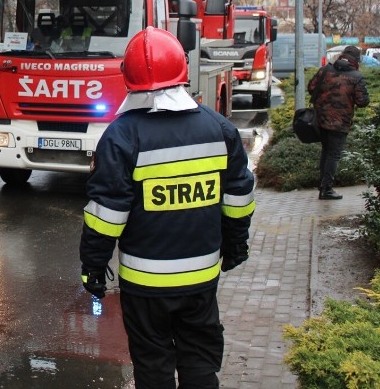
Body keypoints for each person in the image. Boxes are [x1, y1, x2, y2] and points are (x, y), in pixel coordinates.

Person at [79, 27, 256, 388]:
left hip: (145, 285)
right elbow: (238, 196)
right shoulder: (219, 129)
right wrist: (236, 244)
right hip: (202, 278)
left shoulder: (121, 135)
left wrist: (93, 266)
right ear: (182, 71)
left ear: (129, 79)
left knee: (154, 367)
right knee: (200, 361)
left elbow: (106, 214)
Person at [308, 45, 369, 200]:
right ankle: (326, 189)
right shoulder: (356, 77)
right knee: (333, 155)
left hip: (320, 120)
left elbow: (311, 87)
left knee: (326, 152)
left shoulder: (325, 70)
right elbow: (362, 101)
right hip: (340, 123)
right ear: (356, 59)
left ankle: (322, 185)